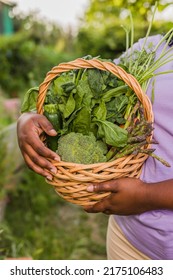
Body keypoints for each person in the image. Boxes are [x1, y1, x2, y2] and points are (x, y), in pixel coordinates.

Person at [17, 33, 173, 260]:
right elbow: (98, 80)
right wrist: (29, 117)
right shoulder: (153, 47)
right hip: (128, 238)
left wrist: (147, 196)